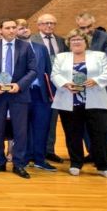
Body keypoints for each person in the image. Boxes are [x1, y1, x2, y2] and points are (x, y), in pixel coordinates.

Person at [51, 29, 107, 178]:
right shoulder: (61, 57)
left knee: (99, 134)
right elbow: (55, 74)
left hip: (95, 101)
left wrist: (96, 81)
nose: (76, 42)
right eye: (73, 40)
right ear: (69, 43)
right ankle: (75, 163)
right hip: (69, 101)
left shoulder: (99, 56)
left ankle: (103, 166)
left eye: (80, 39)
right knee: (73, 134)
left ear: (86, 42)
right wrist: (66, 84)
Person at [0, 18, 37, 179]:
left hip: (19, 94)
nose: (11, 30)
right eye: (8, 28)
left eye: (14, 27)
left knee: (20, 131)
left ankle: (19, 163)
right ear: (1, 30)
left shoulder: (26, 47)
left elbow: (33, 70)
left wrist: (19, 85)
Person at [15, 19, 57, 172]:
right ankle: (24, 158)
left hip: (40, 94)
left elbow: (48, 70)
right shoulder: (14, 49)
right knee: (23, 128)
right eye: (20, 28)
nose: (24, 30)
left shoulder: (41, 48)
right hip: (21, 94)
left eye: (26, 27)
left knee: (42, 127)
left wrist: (51, 93)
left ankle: (40, 159)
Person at [30, 13, 67, 163]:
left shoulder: (61, 41)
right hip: (38, 87)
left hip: (57, 86)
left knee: (52, 119)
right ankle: (34, 151)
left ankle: (49, 150)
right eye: (46, 23)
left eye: (52, 23)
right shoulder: (32, 40)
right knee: (35, 120)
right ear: (39, 25)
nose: (49, 26)